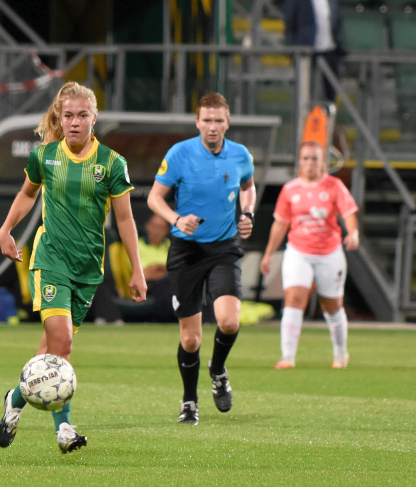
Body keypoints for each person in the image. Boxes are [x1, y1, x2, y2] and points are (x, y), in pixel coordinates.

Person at [0, 82, 147, 453]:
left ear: (94, 118)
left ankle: (14, 401)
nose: (75, 122)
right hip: (51, 262)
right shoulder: (45, 156)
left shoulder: (112, 163)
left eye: (82, 115)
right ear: (59, 119)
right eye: (68, 116)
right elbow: (27, 193)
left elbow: (125, 220)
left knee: (51, 351)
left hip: (88, 269)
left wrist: (137, 269)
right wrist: (5, 228)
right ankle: (63, 429)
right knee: (61, 345)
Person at [147, 93, 256, 426]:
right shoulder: (179, 154)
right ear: (197, 122)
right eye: (206, 120)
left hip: (223, 248)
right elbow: (154, 198)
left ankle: (218, 369)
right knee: (191, 338)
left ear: (228, 122)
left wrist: (248, 211)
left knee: (229, 322)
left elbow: (248, 186)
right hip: (187, 251)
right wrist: (177, 220)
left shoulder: (240, 155)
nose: (212, 127)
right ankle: (189, 401)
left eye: (218, 120)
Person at [260, 141, 358, 369]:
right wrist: (268, 254)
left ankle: (341, 354)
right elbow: (280, 223)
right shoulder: (290, 189)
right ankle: (287, 356)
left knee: (332, 304)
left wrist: (353, 232)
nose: (310, 163)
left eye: (314, 158)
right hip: (298, 250)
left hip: (329, 252)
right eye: (305, 158)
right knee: (294, 298)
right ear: (299, 162)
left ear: (323, 162)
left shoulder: (334, 186)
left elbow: (349, 212)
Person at [284, 0, 347, 102]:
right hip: (307, 50)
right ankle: (305, 114)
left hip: (330, 49)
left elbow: (336, 21)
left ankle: (329, 113)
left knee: (331, 89)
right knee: (305, 89)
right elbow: (290, 22)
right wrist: (295, 46)